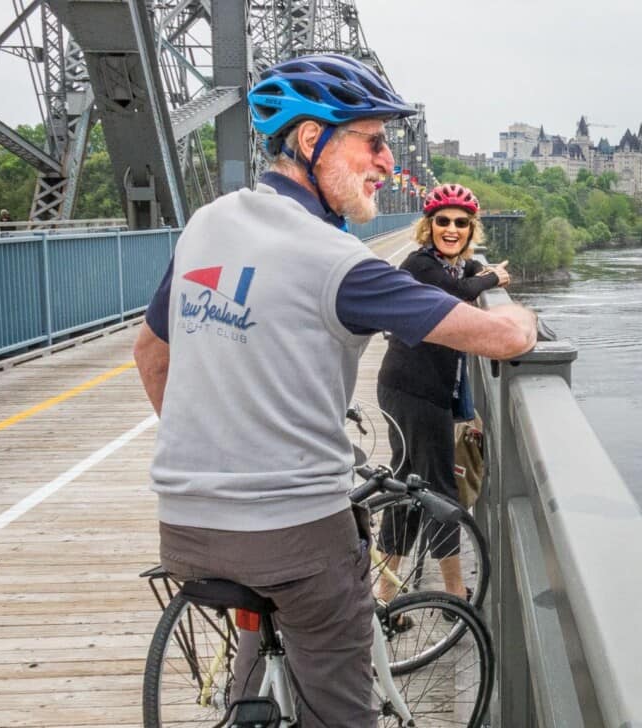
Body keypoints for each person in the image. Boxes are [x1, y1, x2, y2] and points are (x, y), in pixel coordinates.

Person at [132, 54, 536, 728]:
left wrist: (211, 463)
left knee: (261, 642)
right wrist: (518, 317)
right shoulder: (338, 262)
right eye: (373, 140)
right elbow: (496, 339)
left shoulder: (206, 224)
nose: (386, 162)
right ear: (313, 139)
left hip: (186, 528)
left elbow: (150, 356)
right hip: (294, 535)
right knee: (339, 698)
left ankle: (245, 706)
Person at [373, 183, 508, 606]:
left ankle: (384, 591)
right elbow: (452, 297)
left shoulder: (447, 265)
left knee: (407, 488)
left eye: (461, 223)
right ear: (428, 226)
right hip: (415, 392)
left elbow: (461, 278)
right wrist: (492, 277)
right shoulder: (419, 265)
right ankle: (453, 591)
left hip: (411, 388)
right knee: (439, 490)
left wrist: (474, 272)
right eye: (443, 221)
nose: (452, 229)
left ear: (472, 230)